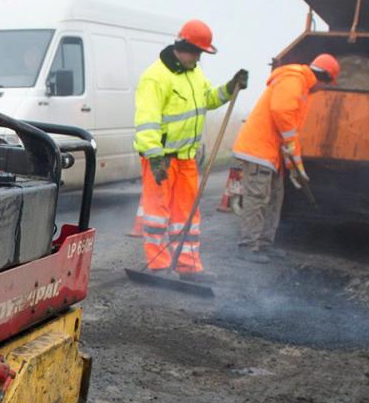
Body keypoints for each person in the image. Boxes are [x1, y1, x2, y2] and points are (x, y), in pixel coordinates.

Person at [131, 20, 247, 281]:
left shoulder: (194, 74)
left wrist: (230, 88)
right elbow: (146, 121)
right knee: (157, 214)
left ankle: (189, 265)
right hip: (161, 159)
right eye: (195, 52)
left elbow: (208, 100)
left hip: (186, 159)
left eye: (200, 54)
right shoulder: (155, 77)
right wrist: (155, 156)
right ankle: (158, 264)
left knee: (188, 214)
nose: (197, 58)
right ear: (182, 47)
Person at [227, 54, 340, 262]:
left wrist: (295, 166)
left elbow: (291, 133)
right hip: (258, 150)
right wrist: (290, 147)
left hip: (272, 154)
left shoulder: (302, 86)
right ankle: (247, 245)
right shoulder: (294, 79)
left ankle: (263, 244)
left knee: (275, 199)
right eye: (327, 85)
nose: (323, 90)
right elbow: (281, 113)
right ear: (323, 78)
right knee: (257, 199)